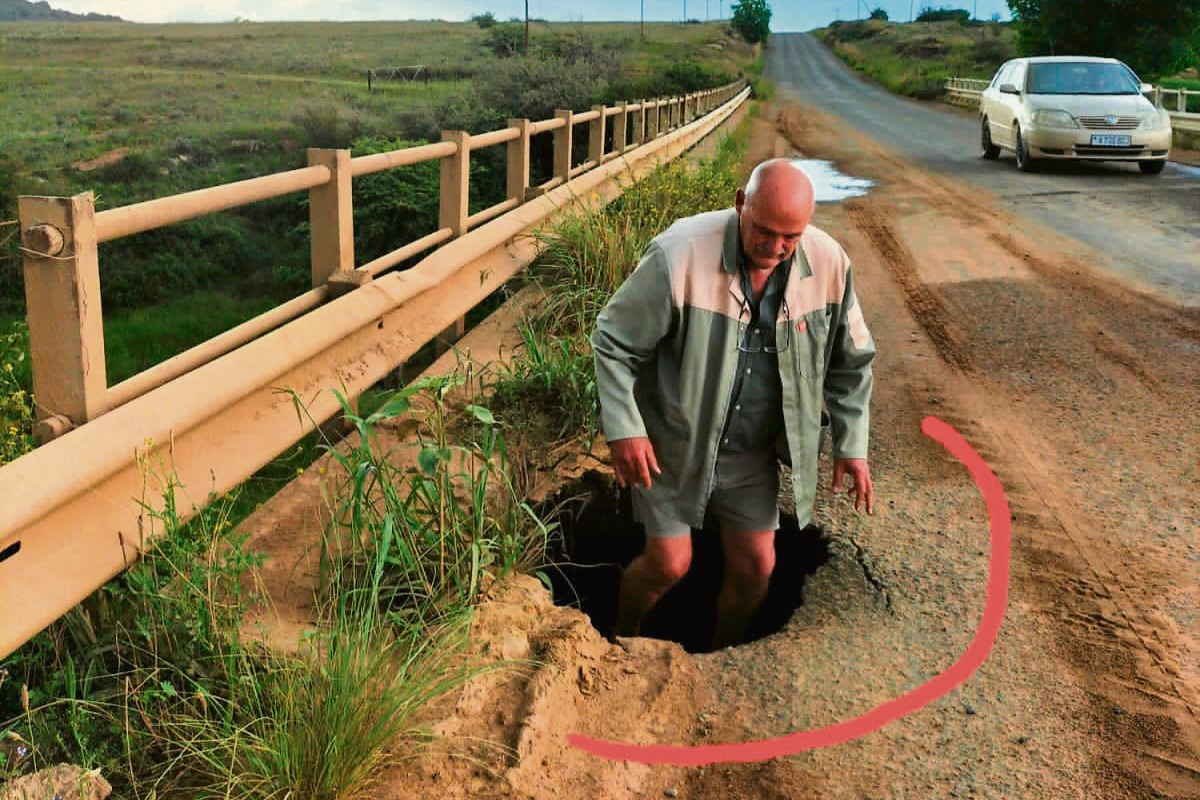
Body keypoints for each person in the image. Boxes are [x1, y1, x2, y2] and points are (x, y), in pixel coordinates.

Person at [591, 158, 876, 649]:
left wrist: (853, 445)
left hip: (751, 456)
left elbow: (852, 362)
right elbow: (613, 341)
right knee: (670, 562)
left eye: (791, 237)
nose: (776, 248)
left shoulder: (829, 264)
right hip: (672, 446)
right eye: (765, 232)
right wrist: (624, 428)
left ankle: (721, 652)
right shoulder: (678, 255)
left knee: (756, 566)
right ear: (741, 204)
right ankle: (621, 638)